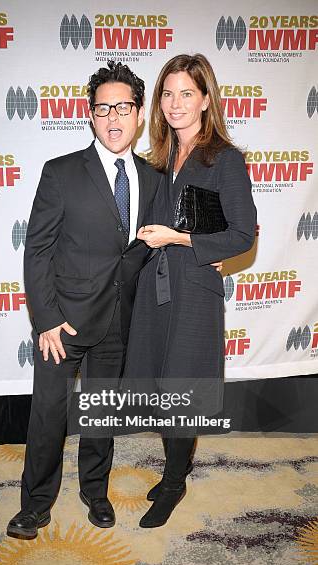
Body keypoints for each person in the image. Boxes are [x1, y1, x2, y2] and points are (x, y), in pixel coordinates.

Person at [7, 62, 163, 539]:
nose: (113, 118)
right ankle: (35, 503)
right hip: (64, 320)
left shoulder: (153, 178)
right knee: (49, 413)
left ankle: (95, 491)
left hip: (120, 319)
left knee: (102, 409)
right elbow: (38, 249)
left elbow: (154, 245)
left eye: (123, 107)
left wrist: (206, 254)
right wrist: (46, 320)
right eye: (103, 109)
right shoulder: (61, 173)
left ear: (138, 114)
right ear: (90, 116)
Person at [124, 54, 257, 528]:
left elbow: (243, 235)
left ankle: (175, 483)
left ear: (205, 100)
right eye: (168, 93)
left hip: (195, 291)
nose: (176, 103)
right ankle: (175, 469)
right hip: (154, 292)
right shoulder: (158, 159)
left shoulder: (224, 158)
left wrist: (182, 239)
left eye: (187, 93)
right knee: (162, 386)